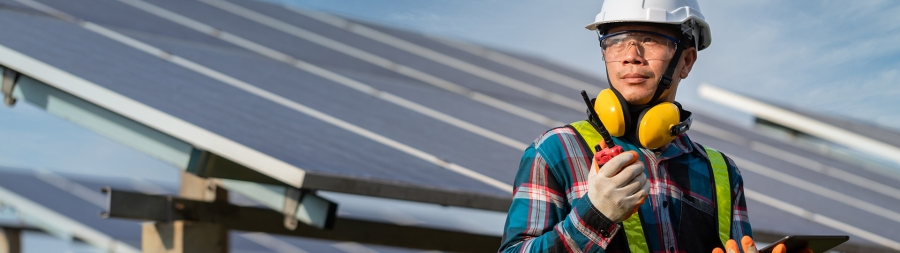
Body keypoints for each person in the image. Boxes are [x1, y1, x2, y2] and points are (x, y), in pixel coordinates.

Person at [498, 1, 797, 252]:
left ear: (687, 61)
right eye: (615, 41)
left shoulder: (722, 173)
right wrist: (595, 216)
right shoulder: (555, 151)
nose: (631, 56)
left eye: (650, 40)